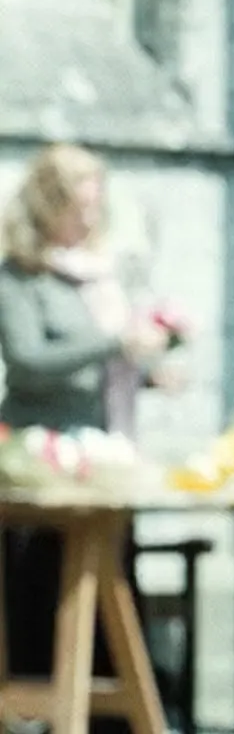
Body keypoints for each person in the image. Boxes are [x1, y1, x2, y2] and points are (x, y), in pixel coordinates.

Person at [0, 143, 175, 734]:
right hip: (42, 466)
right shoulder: (20, 277)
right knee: (44, 600)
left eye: (95, 206)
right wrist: (115, 342)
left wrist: (150, 370)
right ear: (47, 207)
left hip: (104, 457)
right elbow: (29, 360)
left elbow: (103, 368)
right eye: (79, 207)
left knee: (112, 594)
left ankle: (113, 721)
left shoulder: (96, 275)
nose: (90, 219)